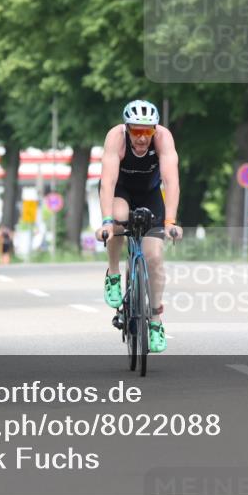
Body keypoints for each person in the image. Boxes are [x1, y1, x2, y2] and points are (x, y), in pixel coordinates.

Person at [94, 100, 181, 354]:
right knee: (119, 218)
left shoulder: (163, 138)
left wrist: (171, 222)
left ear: (154, 129)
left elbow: (171, 182)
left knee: (154, 257)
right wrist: (106, 222)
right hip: (122, 191)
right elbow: (107, 183)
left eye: (147, 131)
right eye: (136, 131)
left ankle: (155, 321)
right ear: (127, 128)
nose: (142, 138)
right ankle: (113, 274)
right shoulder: (115, 138)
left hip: (150, 194)